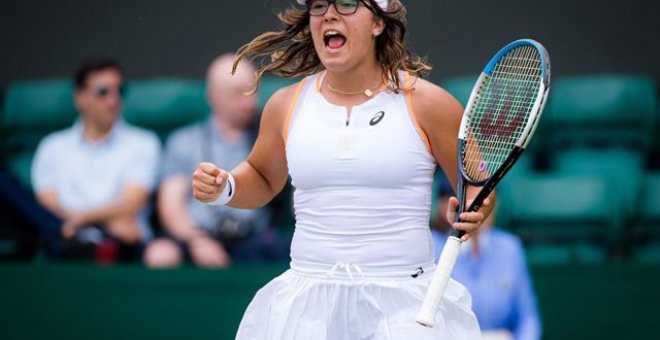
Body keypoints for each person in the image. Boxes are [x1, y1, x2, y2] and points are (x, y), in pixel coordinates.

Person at [193, 1, 493, 338]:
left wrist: (475, 209)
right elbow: (262, 177)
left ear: (378, 23)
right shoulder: (284, 105)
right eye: (319, 5)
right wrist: (225, 187)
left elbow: (479, 186)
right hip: (308, 308)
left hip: (405, 308)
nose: (329, 15)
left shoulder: (429, 103)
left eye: (347, 4)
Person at [143, 54, 289, 269]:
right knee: (160, 255)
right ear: (214, 96)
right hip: (197, 236)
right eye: (239, 94)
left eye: (253, 92)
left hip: (252, 239)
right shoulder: (185, 141)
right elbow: (170, 204)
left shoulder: (268, 138)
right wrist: (197, 241)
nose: (249, 102)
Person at [31, 59, 161, 261]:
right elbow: (47, 202)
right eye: (103, 92)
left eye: (120, 91)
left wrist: (78, 220)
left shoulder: (144, 143)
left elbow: (131, 202)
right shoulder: (52, 146)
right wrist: (100, 221)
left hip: (123, 246)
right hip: (67, 239)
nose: (113, 100)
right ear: (80, 97)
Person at [432, 176, 542, 340]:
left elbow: (528, 318)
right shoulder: (430, 247)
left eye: (488, 197)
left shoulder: (510, 247)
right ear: (446, 206)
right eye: (473, 199)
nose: (483, 205)